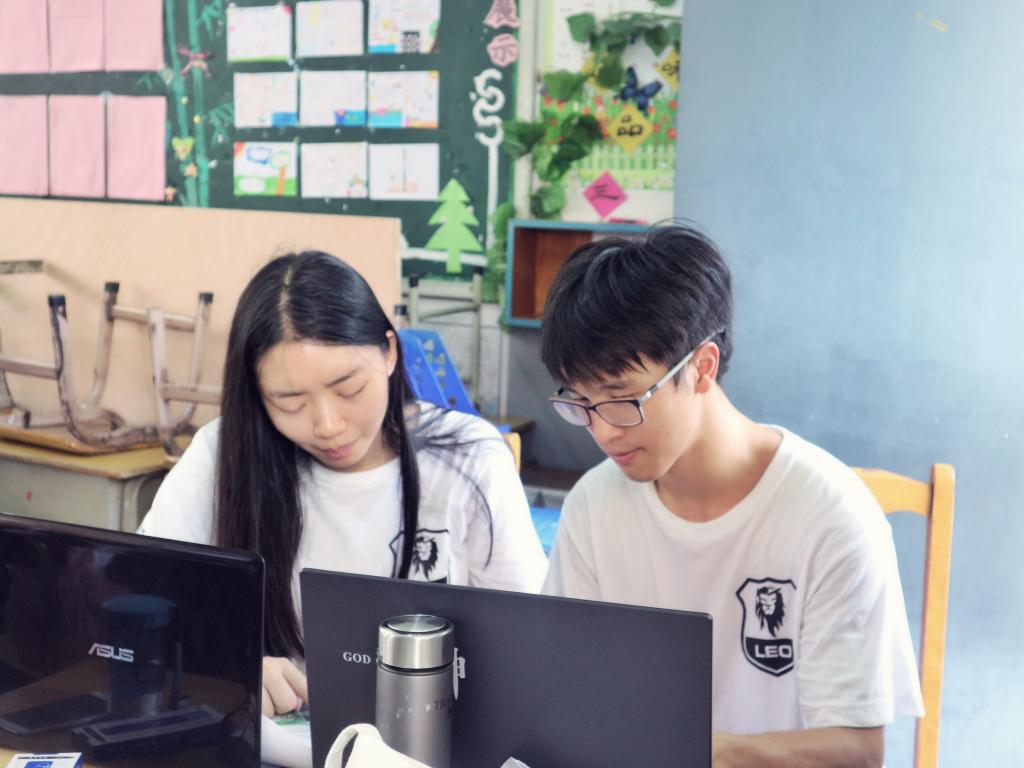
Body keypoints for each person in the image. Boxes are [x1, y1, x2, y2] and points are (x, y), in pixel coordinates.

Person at [539, 224, 922, 767]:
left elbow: (856, 752)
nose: (602, 431)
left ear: (702, 366)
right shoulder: (593, 506)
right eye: (581, 403)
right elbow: (566, 692)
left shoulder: (831, 517)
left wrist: (690, 752)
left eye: (623, 399)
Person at [139, 250, 547, 719]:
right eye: (289, 402)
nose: (328, 426)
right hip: (276, 742)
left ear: (389, 352)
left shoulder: (468, 459)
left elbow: (530, 642)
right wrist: (229, 665)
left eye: (349, 389)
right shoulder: (223, 454)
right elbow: (144, 607)